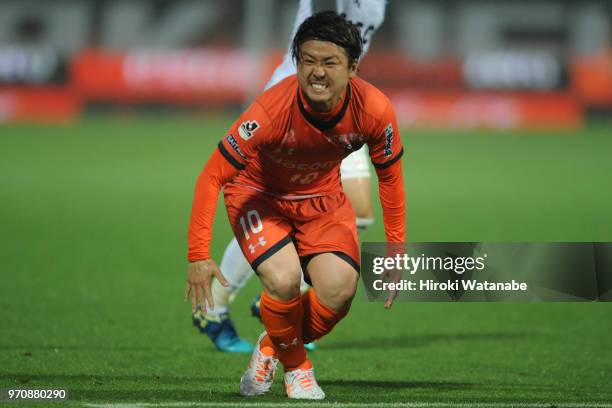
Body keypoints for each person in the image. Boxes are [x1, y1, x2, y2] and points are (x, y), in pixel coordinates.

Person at [185, 11, 405, 400]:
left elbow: (389, 175)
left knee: (339, 291)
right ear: (297, 61)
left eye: (330, 63)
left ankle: (272, 346)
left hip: (321, 199)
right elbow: (212, 175)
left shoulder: (374, 110)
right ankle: (298, 369)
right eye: (308, 61)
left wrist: (396, 248)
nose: (317, 73)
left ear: (353, 67)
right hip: (258, 195)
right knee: (284, 280)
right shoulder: (271, 110)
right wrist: (198, 254)